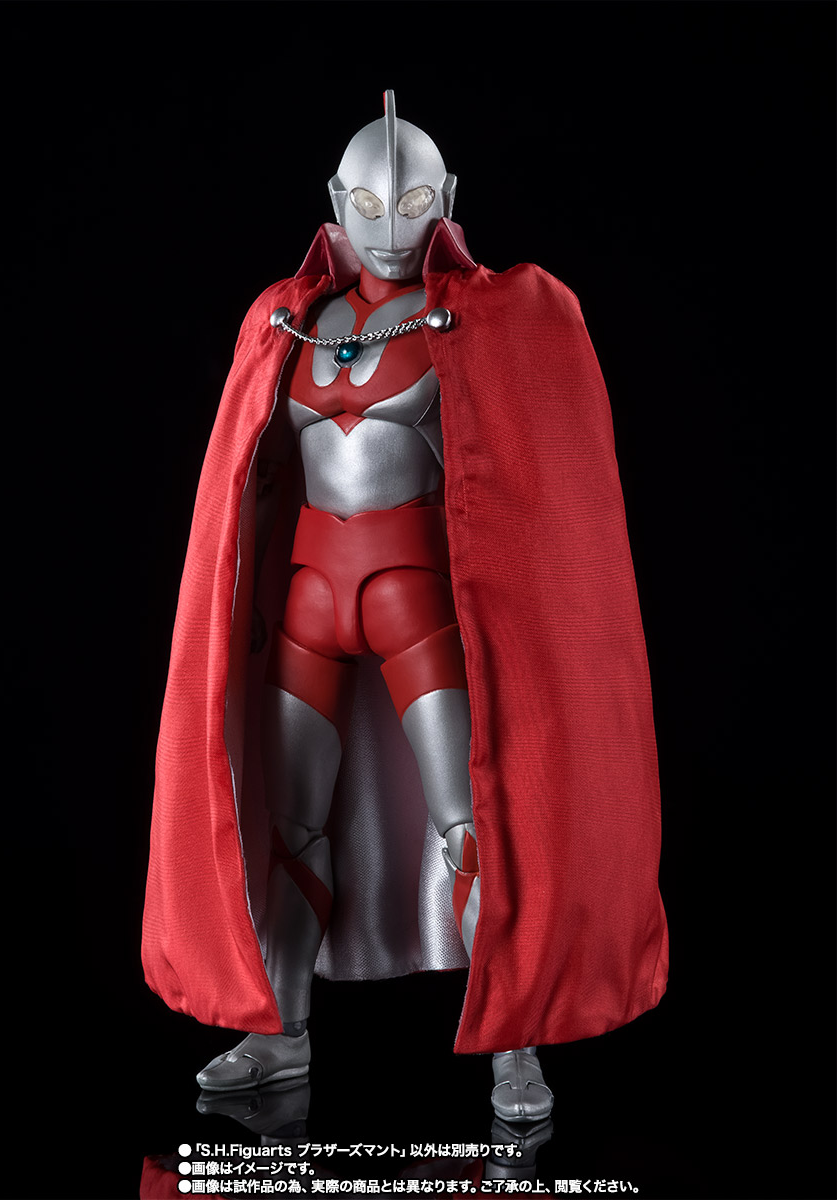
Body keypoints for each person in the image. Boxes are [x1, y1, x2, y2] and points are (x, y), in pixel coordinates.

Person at [143, 92, 667, 1124]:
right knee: (287, 826)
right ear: (335, 202)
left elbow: (541, 490)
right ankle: (277, 1036)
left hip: (418, 606)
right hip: (307, 603)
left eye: (416, 201)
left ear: (448, 199)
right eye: (372, 202)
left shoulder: (495, 319)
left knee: (475, 822)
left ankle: (512, 1049)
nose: (391, 223)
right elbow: (243, 490)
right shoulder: (283, 321)